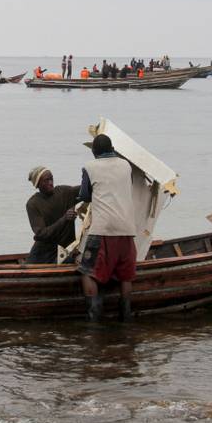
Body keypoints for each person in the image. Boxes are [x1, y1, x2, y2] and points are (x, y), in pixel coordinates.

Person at [78, 134, 136, 322]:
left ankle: (94, 319)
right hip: (127, 230)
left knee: (87, 272)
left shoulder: (89, 167)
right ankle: (126, 317)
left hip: (103, 230)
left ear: (94, 152)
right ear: (112, 148)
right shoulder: (126, 166)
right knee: (126, 277)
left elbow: (85, 195)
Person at [25, 167, 80, 264]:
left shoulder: (64, 192)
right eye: (46, 180)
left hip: (64, 251)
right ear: (37, 184)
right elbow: (41, 234)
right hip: (42, 253)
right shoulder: (33, 204)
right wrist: (64, 219)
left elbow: (86, 190)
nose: (51, 183)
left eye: (51, 179)